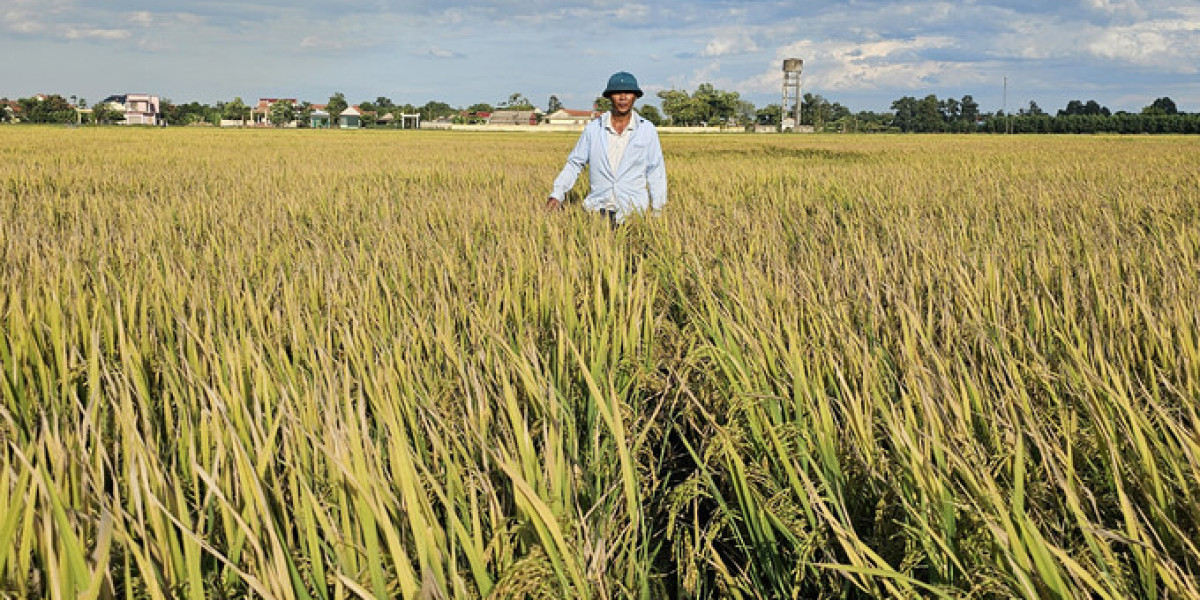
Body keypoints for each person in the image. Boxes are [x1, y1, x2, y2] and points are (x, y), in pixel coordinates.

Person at [546, 71, 667, 224]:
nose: (623, 97)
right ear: (609, 96)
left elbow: (655, 171)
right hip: (596, 211)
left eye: (628, 93)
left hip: (633, 214)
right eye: (617, 93)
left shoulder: (647, 130)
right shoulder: (594, 129)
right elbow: (575, 164)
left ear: (636, 96)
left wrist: (658, 211)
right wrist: (557, 194)